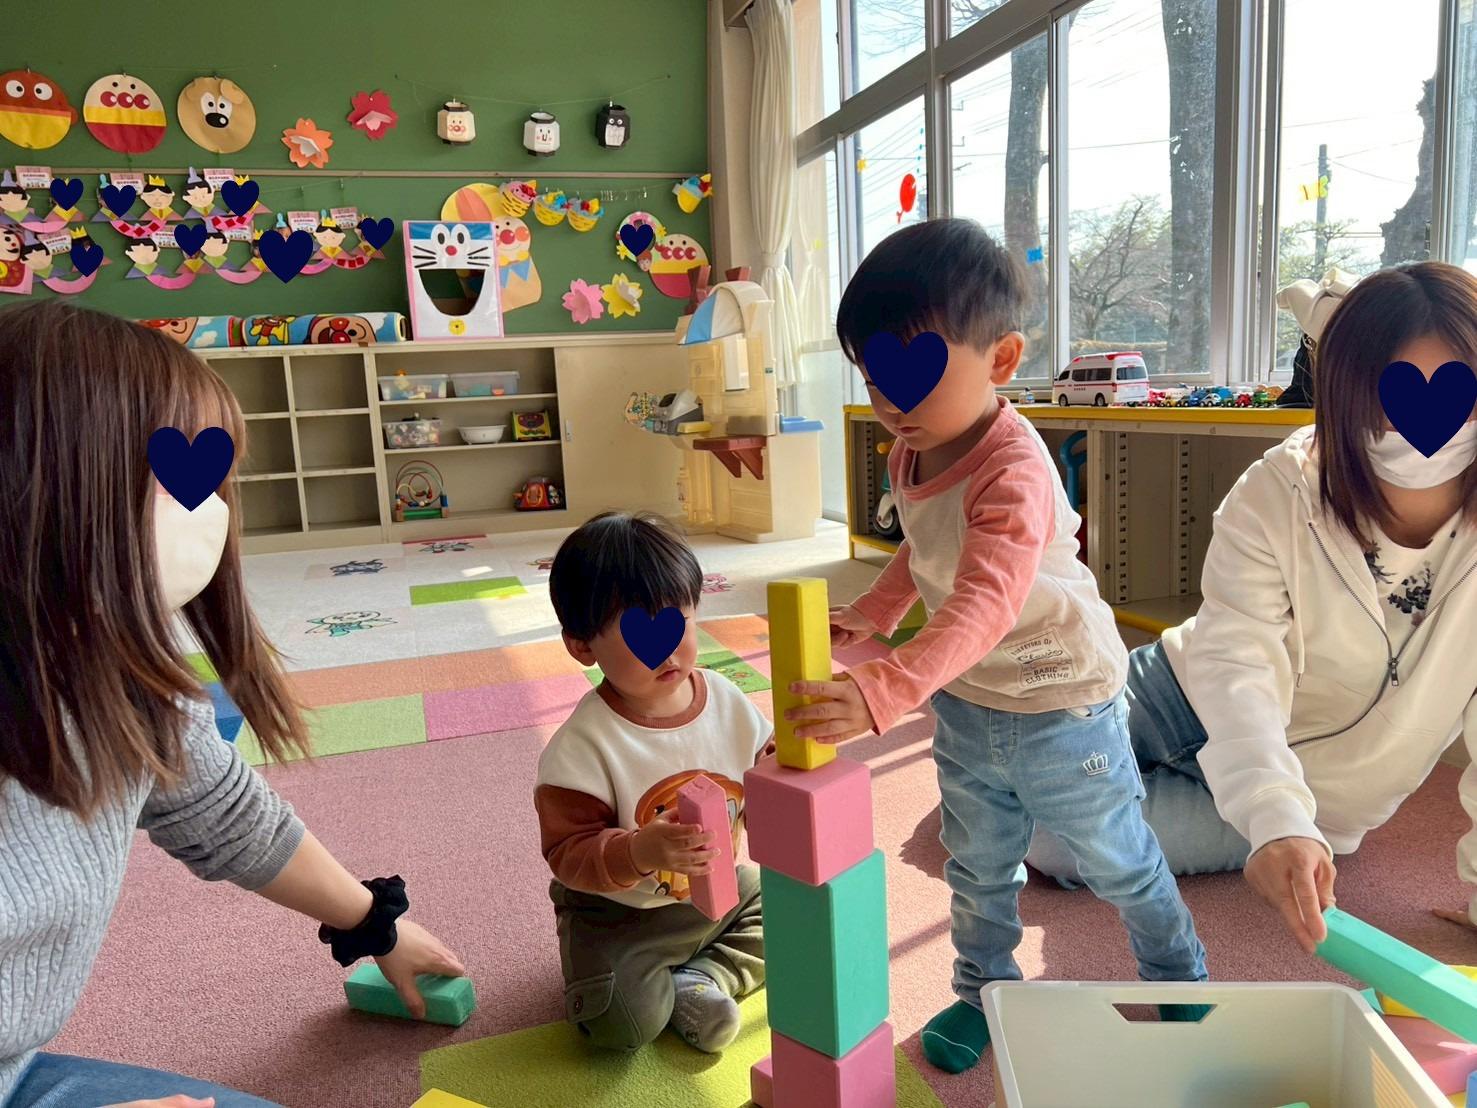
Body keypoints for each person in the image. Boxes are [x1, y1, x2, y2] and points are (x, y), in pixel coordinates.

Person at [0, 301, 466, 1108]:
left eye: (214, 483)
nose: (211, 513)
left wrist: (374, 923)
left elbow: (224, 815)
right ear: (53, 481)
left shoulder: (109, 672)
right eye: (181, 480)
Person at [784, 219, 1207, 1076]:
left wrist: (884, 687)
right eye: (873, 378)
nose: (890, 401)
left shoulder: (1012, 469)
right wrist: (875, 611)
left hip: (1061, 702)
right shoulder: (909, 449)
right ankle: (982, 990)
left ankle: (1180, 979)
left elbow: (984, 596)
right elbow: (925, 545)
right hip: (970, 702)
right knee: (976, 866)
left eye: (914, 375)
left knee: (1116, 859)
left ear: (1002, 360)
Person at [1026, 261, 1477, 954]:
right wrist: (1269, 810)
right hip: (1177, 690)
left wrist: (1279, 820)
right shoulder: (1282, 486)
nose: (1416, 422)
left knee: (1044, 837)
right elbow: (1235, 655)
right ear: (1344, 391)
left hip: (1317, 796)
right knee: (1005, 753)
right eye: (1385, 390)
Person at [534, 513, 772, 1055]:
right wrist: (640, 850)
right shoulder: (583, 747)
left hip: (720, 895)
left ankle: (702, 978)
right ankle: (658, 983)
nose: (667, 650)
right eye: (637, 631)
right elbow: (568, 853)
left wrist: (783, 769)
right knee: (619, 1025)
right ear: (582, 646)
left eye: (677, 622)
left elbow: (763, 771)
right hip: (620, 915)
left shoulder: (725, 698)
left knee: (804, 915)